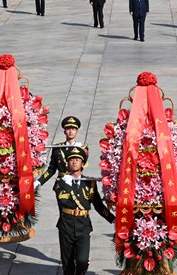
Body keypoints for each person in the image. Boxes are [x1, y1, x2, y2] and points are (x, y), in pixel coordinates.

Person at [49, 146, 114, 275]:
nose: (74, 161)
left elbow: (98, 205)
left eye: (77, 159)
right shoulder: (61, 182)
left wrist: (113, 219)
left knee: (82, 260)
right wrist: (67, 185)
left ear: (82, 163)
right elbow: (62, 201)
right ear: (67, 163)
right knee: (67, 263)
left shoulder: (89, 183)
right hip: (66, 225)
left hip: (83, 226)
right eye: (71, 159)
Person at [36, 115, 86, 188]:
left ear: (77, 132)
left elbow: (82, 165)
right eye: (68, 129)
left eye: (73, 129)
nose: (71, 131)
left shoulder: (82, 148)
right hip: (61, 183)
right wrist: (39, 181)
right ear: (64, 131)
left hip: (76, 182)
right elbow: (52, 169)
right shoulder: (57, 148)